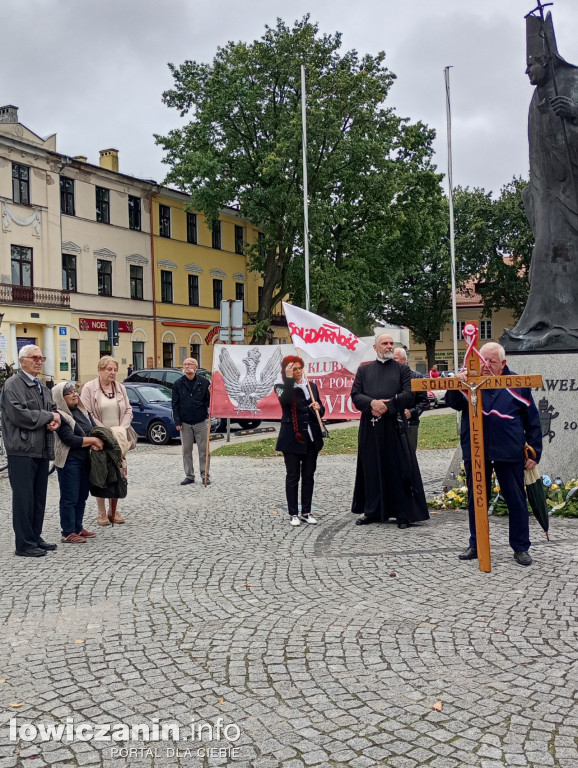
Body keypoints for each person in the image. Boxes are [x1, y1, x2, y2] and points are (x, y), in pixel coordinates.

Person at [503, 12, 578, 350]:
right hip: (549, 194)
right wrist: (535, 196)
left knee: (566, 252)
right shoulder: (536, 101)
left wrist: (574, 116)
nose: (528, 70)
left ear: (549, 59)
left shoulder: (574, 82)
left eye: (533, 62)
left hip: (571, 191)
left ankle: (568, 319)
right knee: (547, 252)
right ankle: (545, 319)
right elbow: (537, 157)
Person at [445, 342, 542, 566]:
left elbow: (533, 421)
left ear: (503, 363)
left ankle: (520, 547)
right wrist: (455, 385)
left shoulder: (517, 384)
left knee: (516, 500)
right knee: (476, 500)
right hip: (476, 451)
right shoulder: (470, 382)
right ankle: (476, 543)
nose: (486, 365)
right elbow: (453, 403)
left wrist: (534, 452)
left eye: (492, 361)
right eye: (482, 360)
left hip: (509, 451)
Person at [351, 334, 429, 529]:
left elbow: (408, 393)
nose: (389, 346)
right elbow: (356, 394)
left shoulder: (402, 370)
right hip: (371, 425)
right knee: (371, 467)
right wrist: (372, 403)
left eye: (391, 344)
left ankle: (402, 513)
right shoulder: (364, 370)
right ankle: (372, 510)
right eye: (385, 343)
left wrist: (388, 406)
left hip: (395, 425)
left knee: (399, 467)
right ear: (375, 347)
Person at [0, 345, 60, 557]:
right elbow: (18, 415)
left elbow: (52, 409)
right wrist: (49, 418)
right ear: (22, 360)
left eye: (41, 357)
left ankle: (35, 536)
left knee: (38, 497)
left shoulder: (41, 386)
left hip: (41, 448)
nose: (39, 361)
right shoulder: (13, 384)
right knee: (24, 498)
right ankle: (24, 544)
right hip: (22, 449)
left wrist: (55, 420)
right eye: (34, 358)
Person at [80, 356, 134, 525]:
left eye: (115, 370)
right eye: (109, 369)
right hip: (100, 437)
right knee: (101, 473)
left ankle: (114, 510)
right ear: (100, 370)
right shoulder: (90, 388)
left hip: (118, 437)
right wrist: (105, 432)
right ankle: (102, 512)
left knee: (118, 473)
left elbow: (128, 411)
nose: (113, 373)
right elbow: (87, 413)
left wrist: (121, 429)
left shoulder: (120, 388)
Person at [275, 356, 325, 527]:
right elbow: (286, 401)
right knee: (292, 476)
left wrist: (319, 408)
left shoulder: (311, 386)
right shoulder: (281, 386)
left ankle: (306, 511)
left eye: (299, 368)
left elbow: (320, 410)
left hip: (311, 437)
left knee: (309, 475)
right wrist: (289, 380)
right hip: (292, 438)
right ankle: (293, 513)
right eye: (293, 369)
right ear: (286, 370)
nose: (297, 372)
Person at [53, 382, 104, 543]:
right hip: (70, 461)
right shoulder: (60, 415)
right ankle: (67, 532)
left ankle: (77, 527)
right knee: (70, 496)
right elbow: (69, 439)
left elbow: (94, 427)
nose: (74, 394)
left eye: (75, 391)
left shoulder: (82, 411)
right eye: (69, 393)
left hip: (85, 460)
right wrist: (92, 440)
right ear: (60, 398)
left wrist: (99, 440)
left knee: (82, 495)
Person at [172, 358, 211, 486]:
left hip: (200, 421)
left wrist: (212, 393)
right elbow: (175, 404)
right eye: (185, 364)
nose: (187, 366)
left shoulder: (204, 383)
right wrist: (177, 421)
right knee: (186, 450)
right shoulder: (178, 383)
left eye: (189, 364)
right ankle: (189, 475)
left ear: (196, 367)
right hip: (185, 422)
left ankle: (205, 475)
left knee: (204, 450)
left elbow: (209, 401)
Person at [393, 348, 429, 453]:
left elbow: (424, 401)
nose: (392, 361)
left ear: (404, 360)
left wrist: (411, 412)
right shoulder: (388, 377)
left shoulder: (417, 377)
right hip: (391, 422)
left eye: (395, 358)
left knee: (409, 453)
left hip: (410, 423)